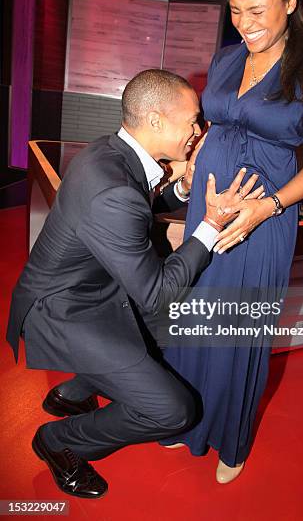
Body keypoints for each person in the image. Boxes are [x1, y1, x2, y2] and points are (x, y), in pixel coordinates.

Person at [6, 69, 262, 498]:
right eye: (193, 120)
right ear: (157, 122)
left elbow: (138, 203)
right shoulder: (112, 189)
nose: (198, 131)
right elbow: (156, 292)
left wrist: (180, 187)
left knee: (174, 328)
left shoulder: (113, 150)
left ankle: (73, 391)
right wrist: (209, 226)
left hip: (88, 289)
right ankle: (59, 440)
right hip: (63, 312)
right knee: (175, 410)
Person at [161, 0, 303, 483]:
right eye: (236, 10)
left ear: (290, 1)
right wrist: (192, 166)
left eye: (257, 10)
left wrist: (264, 208)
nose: (245, 24)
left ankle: (231, 443)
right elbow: (216, 126)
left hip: (262, 220)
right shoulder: (225, 59)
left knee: (238, 330)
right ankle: (186, 419)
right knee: (193, 316)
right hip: (207, 208)